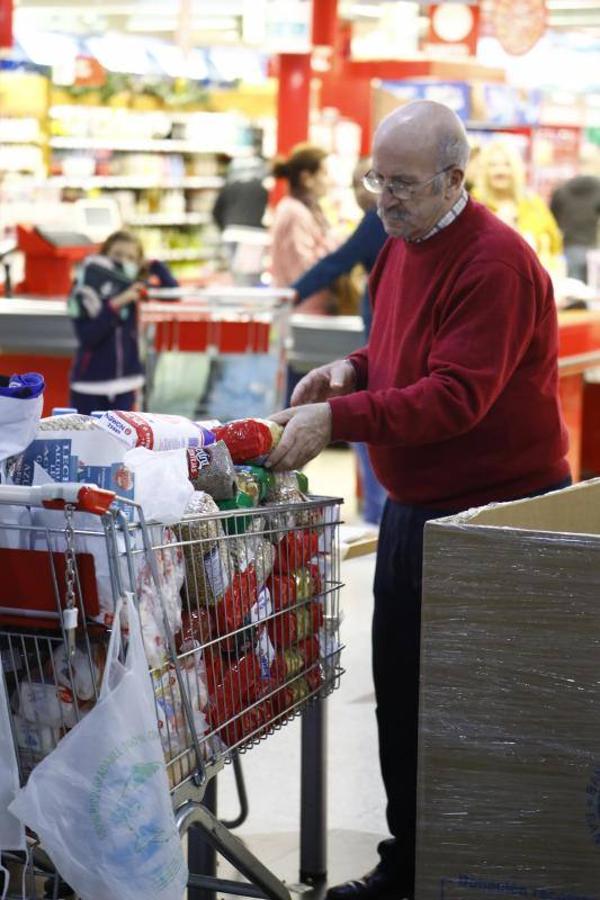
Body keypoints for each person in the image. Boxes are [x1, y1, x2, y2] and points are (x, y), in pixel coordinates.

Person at [266, 100, 571, 900]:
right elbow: (400, 350)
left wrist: (339, 420)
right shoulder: (403, 245)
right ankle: (410, 864)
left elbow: (455, 396)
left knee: (479, 711)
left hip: (492, 519)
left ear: (454, 180)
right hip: (418, 508)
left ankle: (483, 870)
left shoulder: (495, 264)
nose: (385, 200)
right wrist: (352, 371)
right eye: (378, 180)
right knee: (403, 697)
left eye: (402, 184)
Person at [291, 157, 388, 524]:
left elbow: (337, 262)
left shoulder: (378, 219)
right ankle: (378, 511)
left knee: (371, 432)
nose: (362, 192)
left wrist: (292, 294)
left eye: (369, 181)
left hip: (381, 340)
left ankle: (378, 513)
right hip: (379, 339)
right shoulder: (387, 221)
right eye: (355, 184)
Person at [68, 230, 178, 415]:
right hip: (89, 385)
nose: (123, 261)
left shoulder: (133, 286)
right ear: (104, 255)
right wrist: (116, 304)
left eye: (131, 258)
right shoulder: (86, 290)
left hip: (127, 384)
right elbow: (88, 337)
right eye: (117, 255)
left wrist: (153, 264)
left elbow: (172, 292)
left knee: (124, 434)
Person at [473, 140, 563, 270]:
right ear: (483, 171)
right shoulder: (475, 203)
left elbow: (555, 244)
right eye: (493, 165)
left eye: (507, 164)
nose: (500, 171)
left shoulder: (533, 203)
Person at [270, 143, 338, 315]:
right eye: (324, 173)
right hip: (304, 311)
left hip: (310, 309)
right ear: (307, 178)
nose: (330, 181)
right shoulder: (294, 213)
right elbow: (303, 270)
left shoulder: (306, 210)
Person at [550, 174, 600, 283]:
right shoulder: (597, 190)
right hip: (592, 245)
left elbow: (552, 216)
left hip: (570, 244)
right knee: (593, 285)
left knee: (574, 284)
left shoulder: (561, 191)